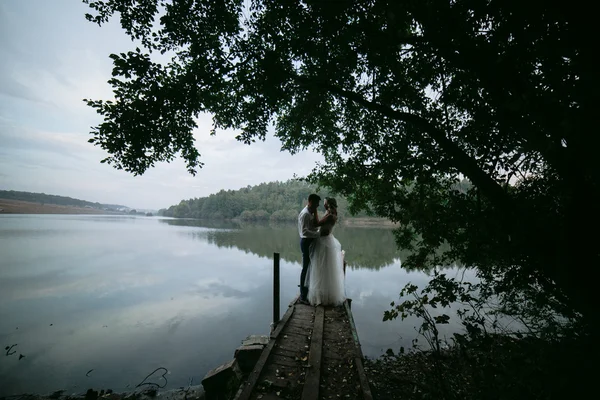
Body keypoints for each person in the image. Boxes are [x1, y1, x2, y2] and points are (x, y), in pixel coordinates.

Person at [304, 197, 346, 306]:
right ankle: (324, 294)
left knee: (321, 268)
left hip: (323, 242)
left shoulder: (330, 215)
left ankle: (322, 296)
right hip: (327, 240)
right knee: (325, 268)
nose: (323, 204)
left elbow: (316, 224)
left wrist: (315, 212)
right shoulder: (331, 213)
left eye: (324, 203)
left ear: (328, 204)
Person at [297, 193, 322, 304]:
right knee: (305, 268)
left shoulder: (310, 212)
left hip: (310, 241)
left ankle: (307, 292)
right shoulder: (305, 214)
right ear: (310, 201)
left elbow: (311, 227)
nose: (317, 206)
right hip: (306, 242)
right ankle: (303, 296)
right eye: (316, 204)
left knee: (309, 268)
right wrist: (318, 234)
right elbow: (304, 232)